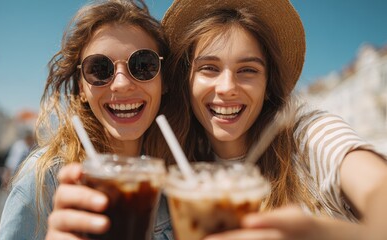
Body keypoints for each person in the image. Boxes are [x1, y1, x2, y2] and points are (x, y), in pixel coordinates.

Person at [162, 0, 387, 239]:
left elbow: (378, 188)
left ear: (268, 85)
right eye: (209, 68)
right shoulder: (180, 168)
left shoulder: (306, 136)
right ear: (188, 81)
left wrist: (326, 233)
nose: (227, 87)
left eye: (248, 70)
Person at [0, 0, 188, 239]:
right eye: (99, 68)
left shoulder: (182, 177)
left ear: (165, 81)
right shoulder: (45, 177)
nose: (121, 84)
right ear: (82, 88)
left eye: (143, 65)